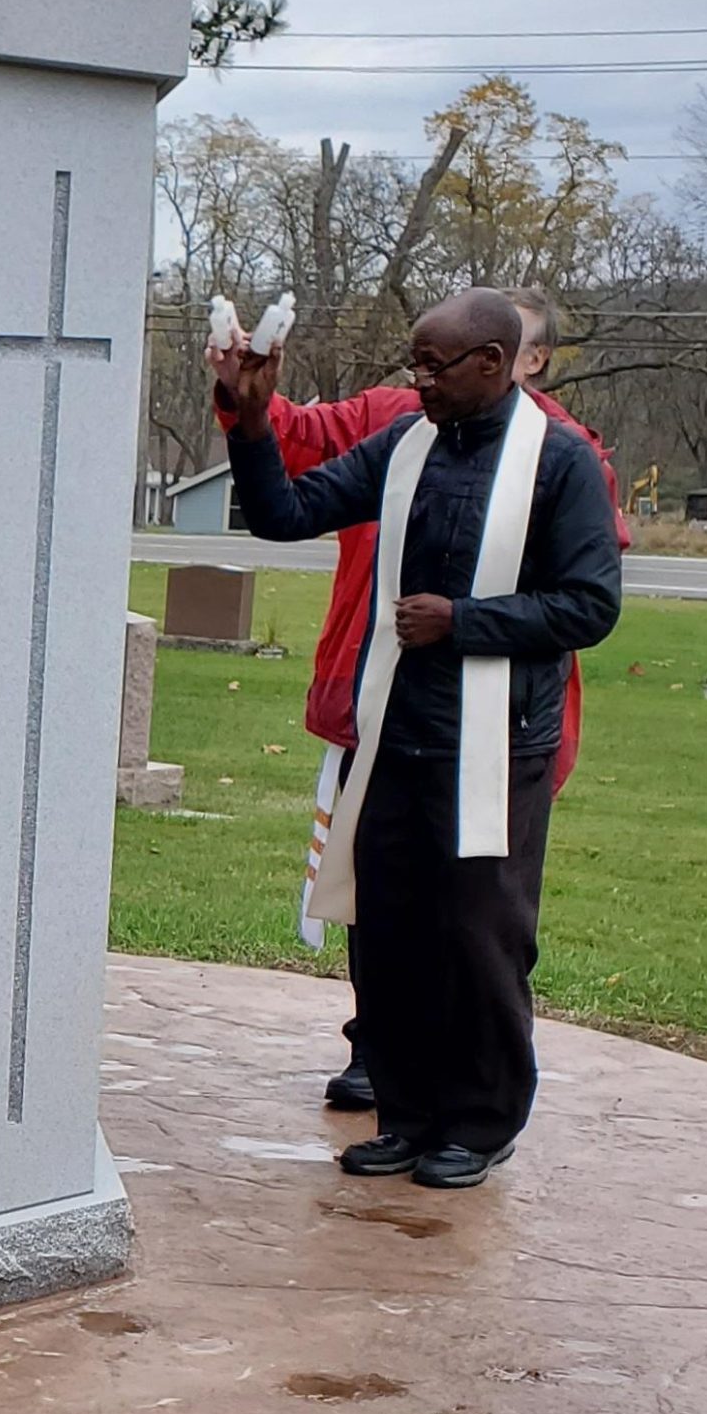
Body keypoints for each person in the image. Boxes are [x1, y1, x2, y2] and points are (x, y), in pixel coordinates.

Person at [225, 290, 621, 1186]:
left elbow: (589, 605)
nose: (418, 380)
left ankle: (477, 1125)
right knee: (391, 933)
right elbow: (284, 513)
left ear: (493, 360)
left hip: (495, 742)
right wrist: (250, 425)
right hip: (395, 732)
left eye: (434, 365)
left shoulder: (558, 462)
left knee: (478, 938)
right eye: (415, 362)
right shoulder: (407, 445)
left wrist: (464, 621)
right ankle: (403, 1114)